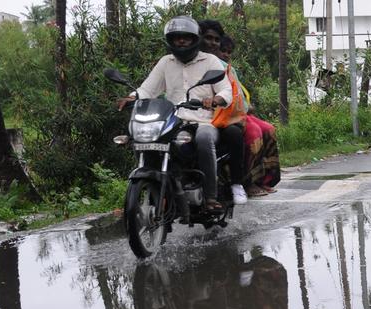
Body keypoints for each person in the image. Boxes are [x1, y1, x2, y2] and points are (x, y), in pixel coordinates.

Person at [119, 16, 233, 212]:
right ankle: (159, 187)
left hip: (203, 121)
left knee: (205, 139)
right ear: (170, 40)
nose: (181, 41)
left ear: (194, 39)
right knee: (144, 138)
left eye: (185, 37)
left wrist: (215, 100)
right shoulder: (166, 62)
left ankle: (210, 197)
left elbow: (226, 91)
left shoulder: (210, 61)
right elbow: (148, 89)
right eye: (176, 37)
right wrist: (132, 97)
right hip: (172, 121)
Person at [219, 35, 281, 196]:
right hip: (225, 115)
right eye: (223, 51)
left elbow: (238, 93)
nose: (225, 54)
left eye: (228, 52)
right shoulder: (212, 66)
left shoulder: (230, 69)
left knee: (269, 129)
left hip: (240, 112)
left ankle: (264, 179)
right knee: (254, 134)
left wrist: (247, 107)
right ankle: (247, 182)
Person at [199, 19, 249, 205]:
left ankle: (237, 183)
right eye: (208, 38)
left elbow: (230, 93)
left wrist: (217, 100)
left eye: (216, 39)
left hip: (218, 118)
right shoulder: (179, 60)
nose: (212, 43)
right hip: (187, 117)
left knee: (234, 133)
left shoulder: (223, 66)